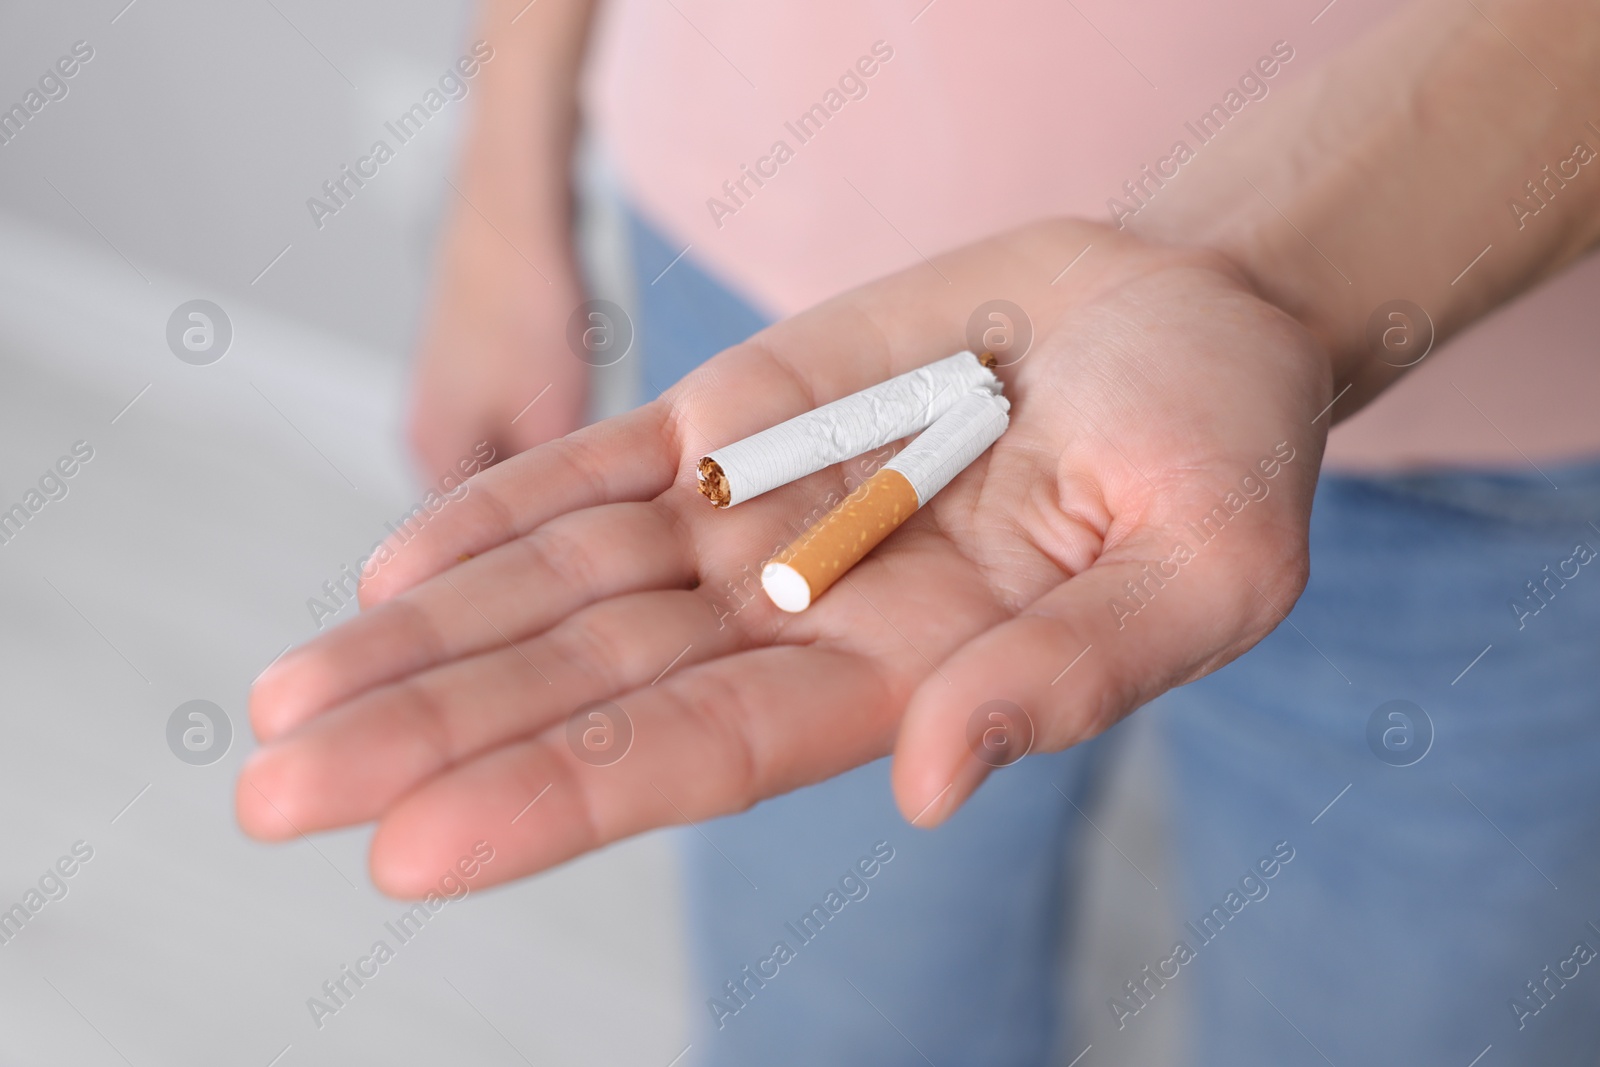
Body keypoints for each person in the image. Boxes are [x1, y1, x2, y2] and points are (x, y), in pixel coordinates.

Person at [239, 0, 1600, 1061]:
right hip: (780, 284)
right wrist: (501, 184)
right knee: (838, 1010)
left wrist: (1262, 281)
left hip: (1515, 439)